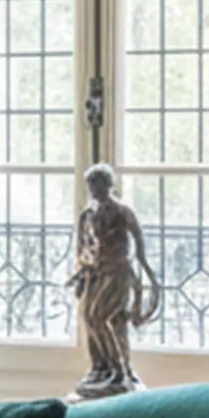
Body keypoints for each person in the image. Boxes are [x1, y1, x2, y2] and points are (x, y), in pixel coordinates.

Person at [67, 164, 159, 400]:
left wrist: (143, 271)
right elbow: (83, 246)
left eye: (98, 185)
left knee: (101, 317)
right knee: (90, 318)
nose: (94, 190)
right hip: (96, 272)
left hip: (118, 271)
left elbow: (138, 240)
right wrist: (80, 272)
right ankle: (101, 367)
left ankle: (119, 370)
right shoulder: (88, 213)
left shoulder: (122, 211)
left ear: (108, 185)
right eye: (90, 186)